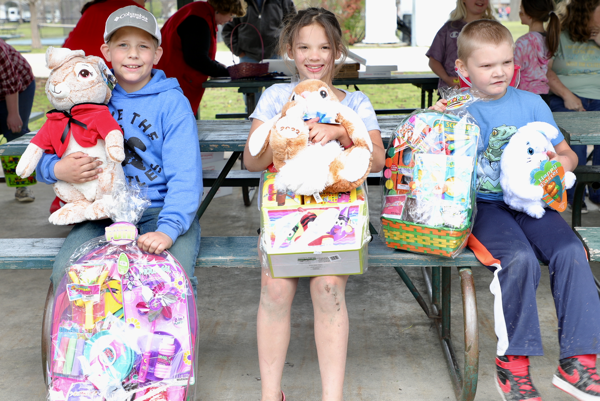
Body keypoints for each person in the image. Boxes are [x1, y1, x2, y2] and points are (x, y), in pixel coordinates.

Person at [432, 19, 600, 401]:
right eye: (487, 65)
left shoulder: (532, 103)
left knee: (572, 251)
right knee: (519, 258)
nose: (500, 72)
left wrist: (559, 169)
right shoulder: (456, 110)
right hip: (483, 208)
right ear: (462, 69)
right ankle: (514, 366)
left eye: (506, 63)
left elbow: (566, 153)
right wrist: (436, 123)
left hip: (532, 203)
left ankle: (579, 363)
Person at [243, 8, 385, 401]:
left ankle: (331, 396)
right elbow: (251, 160)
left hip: (337, 219)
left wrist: (340, 132)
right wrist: (283, 130)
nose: (314, 56)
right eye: (304, 46)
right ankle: (271, 394)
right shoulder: (275, 97)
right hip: (284, 218)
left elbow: (378, 160)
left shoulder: (355, 102)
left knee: (327, 290)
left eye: (324, 47)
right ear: (290, 49)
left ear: (338, 51)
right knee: (274, 290)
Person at [36, 6, 202, 295]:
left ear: (158, 54)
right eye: (123, 45)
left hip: (159, 210)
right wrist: (56, 169)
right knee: (67, 271)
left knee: (171, 280)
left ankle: (162, 340)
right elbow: (41, 151)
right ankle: (91, 337)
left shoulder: (172, 103)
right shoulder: (87, 96)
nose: (133, 54)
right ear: (106, 51)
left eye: (143, 46)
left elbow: (186, 176)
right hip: (100, 213)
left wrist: (168, 229)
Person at [547, 0, 600, 212]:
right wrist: (567, 95)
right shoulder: (559, 35)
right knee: (573, 145)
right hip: (567, 96)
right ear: (585, 13)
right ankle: (572, 196)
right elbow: (545, 71)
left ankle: (597, 194)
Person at [157, 0, 246, 115]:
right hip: (176, 82)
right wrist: (226, 71)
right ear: (222, 9)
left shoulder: (197, 11)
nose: (230, 19)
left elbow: (194, 50)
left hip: (170, 78)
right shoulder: (198, 19)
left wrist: (216, 65)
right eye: (231, 14)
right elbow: (197, 59)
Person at [222, 0, 297, 109]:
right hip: (248, 57)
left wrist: (284, 45)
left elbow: (293, 24)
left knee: (276, 101)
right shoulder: (238, 1)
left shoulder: (283, 1)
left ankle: (275, 125)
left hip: (275, 56)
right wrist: (238, 51)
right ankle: (252, 124)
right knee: (251, 102)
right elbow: (228, 29)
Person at [426, 0, 495, 91]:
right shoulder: (450, 28)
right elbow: (434, 60)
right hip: (454, 92)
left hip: (486, 91)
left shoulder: (495, 28)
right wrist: (447, 78)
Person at [0, 38, 36, 202]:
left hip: (19, 87)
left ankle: (21, 186)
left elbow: (11, 83)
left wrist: (13, 114)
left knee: (15, 132)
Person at [62, 0, 146, 67]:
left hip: (73, 76)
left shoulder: (91, 11)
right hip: (117, 80)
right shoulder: (140, 14)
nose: (144, 3)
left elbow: (65, 48)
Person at [514, 0, 560, 102]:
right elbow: (548, 68)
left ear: (529, 14)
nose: (520, 12)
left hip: (524, 96)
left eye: (521, 10)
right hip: (544, 96)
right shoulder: (550, 39)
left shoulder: (523, 42)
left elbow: (514, 72)